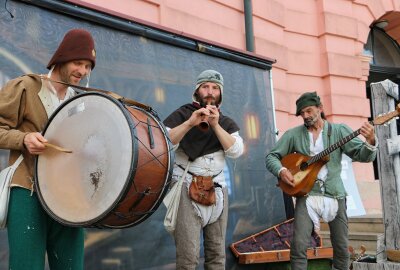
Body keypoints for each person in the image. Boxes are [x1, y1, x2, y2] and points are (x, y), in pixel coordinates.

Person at [0, 28, 96, 270]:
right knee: (26, 266)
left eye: (88, 66)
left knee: (71, 266)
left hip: (69, 195)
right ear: (62, 58)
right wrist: (23, 139)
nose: (82, 71)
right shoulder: (26, 87)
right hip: (27, 189)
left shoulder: (81, 102)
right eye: (78, 63)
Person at [265, 91, 377, 270]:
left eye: (309, 111)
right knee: (299, 245)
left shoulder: (339, 131)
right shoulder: (294, 134)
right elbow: (271, 156)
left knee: (341, 247)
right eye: (302, 113)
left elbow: (362, 155)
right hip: (308, 196)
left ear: (320, 108)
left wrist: (370, 140)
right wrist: (282, 170)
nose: (305, 116)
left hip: (335, 194)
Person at [163, 69, 244, 269]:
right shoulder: (183, 114)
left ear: (220, 94)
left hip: (217, 190)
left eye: (215, 88)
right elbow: (164, 142)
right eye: (205, 86)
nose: (210, 91)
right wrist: (191, 123)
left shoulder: (225, 122)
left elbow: (236, 151)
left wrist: (215, 125)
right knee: (188, 258)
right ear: (197, 90)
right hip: (186, 186)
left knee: (217, 255)